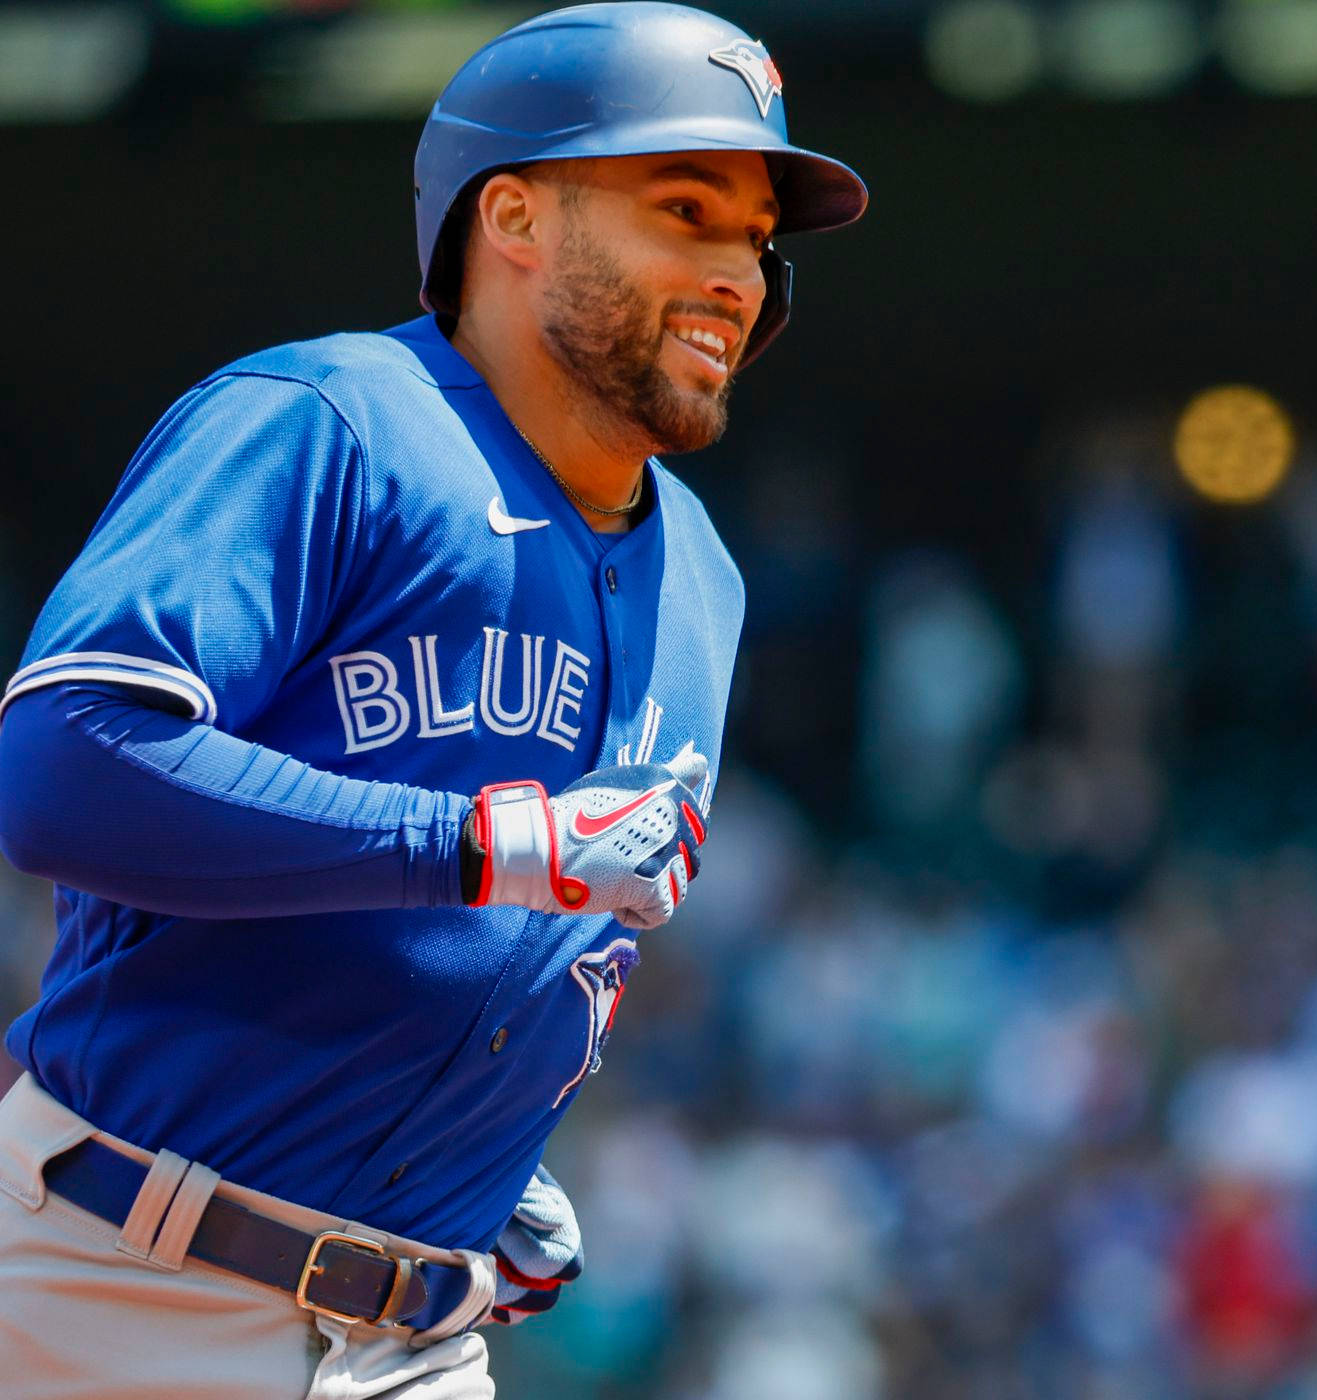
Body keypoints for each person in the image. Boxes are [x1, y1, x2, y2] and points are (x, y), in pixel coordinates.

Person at [0, 3, 866, 1396]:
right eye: (687, 209)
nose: (739, 273)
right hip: (113, 1290)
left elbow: (581, 927)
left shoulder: (703, 573)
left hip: (419, 1332)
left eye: (756, 239)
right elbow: (63, 763)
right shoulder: (329, 419)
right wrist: (477, 844)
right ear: (513, 216)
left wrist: (468, 1141)